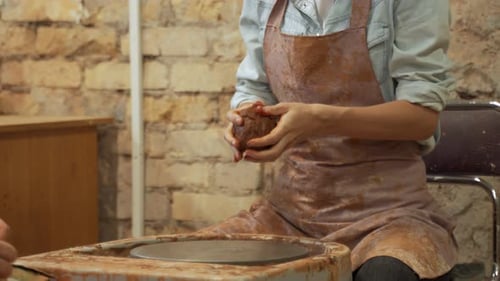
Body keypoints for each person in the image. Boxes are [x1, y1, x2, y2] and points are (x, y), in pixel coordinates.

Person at [202, 0, 457, 281]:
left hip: (389, 215)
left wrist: (319, 120)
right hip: (290, 215)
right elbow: (254, 87)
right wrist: (249, 119)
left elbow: (421, 118)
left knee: (383, 275)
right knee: (198, 260)